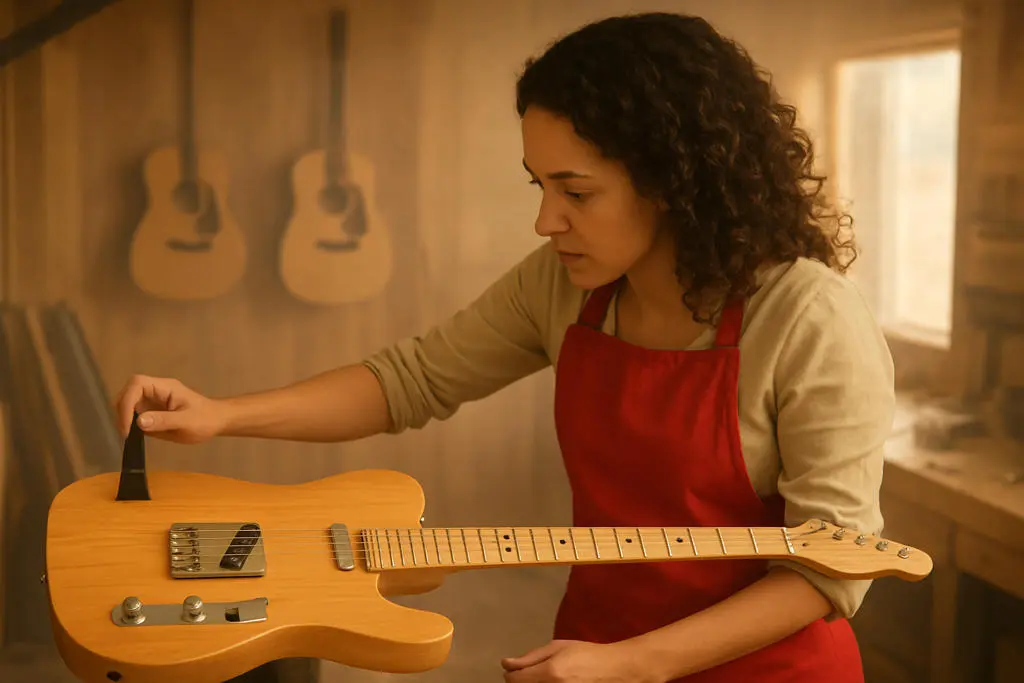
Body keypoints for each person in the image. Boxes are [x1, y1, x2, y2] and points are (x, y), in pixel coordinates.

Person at [114, 11, 895, 683]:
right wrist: (220, 414)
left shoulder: (808, 316)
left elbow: (831, 562)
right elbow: (409, 380)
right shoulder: (564, 288)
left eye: (576, 192)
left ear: (674, 180)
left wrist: (636, 663)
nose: (546, 219)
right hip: (592, 650)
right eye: (539, 186)